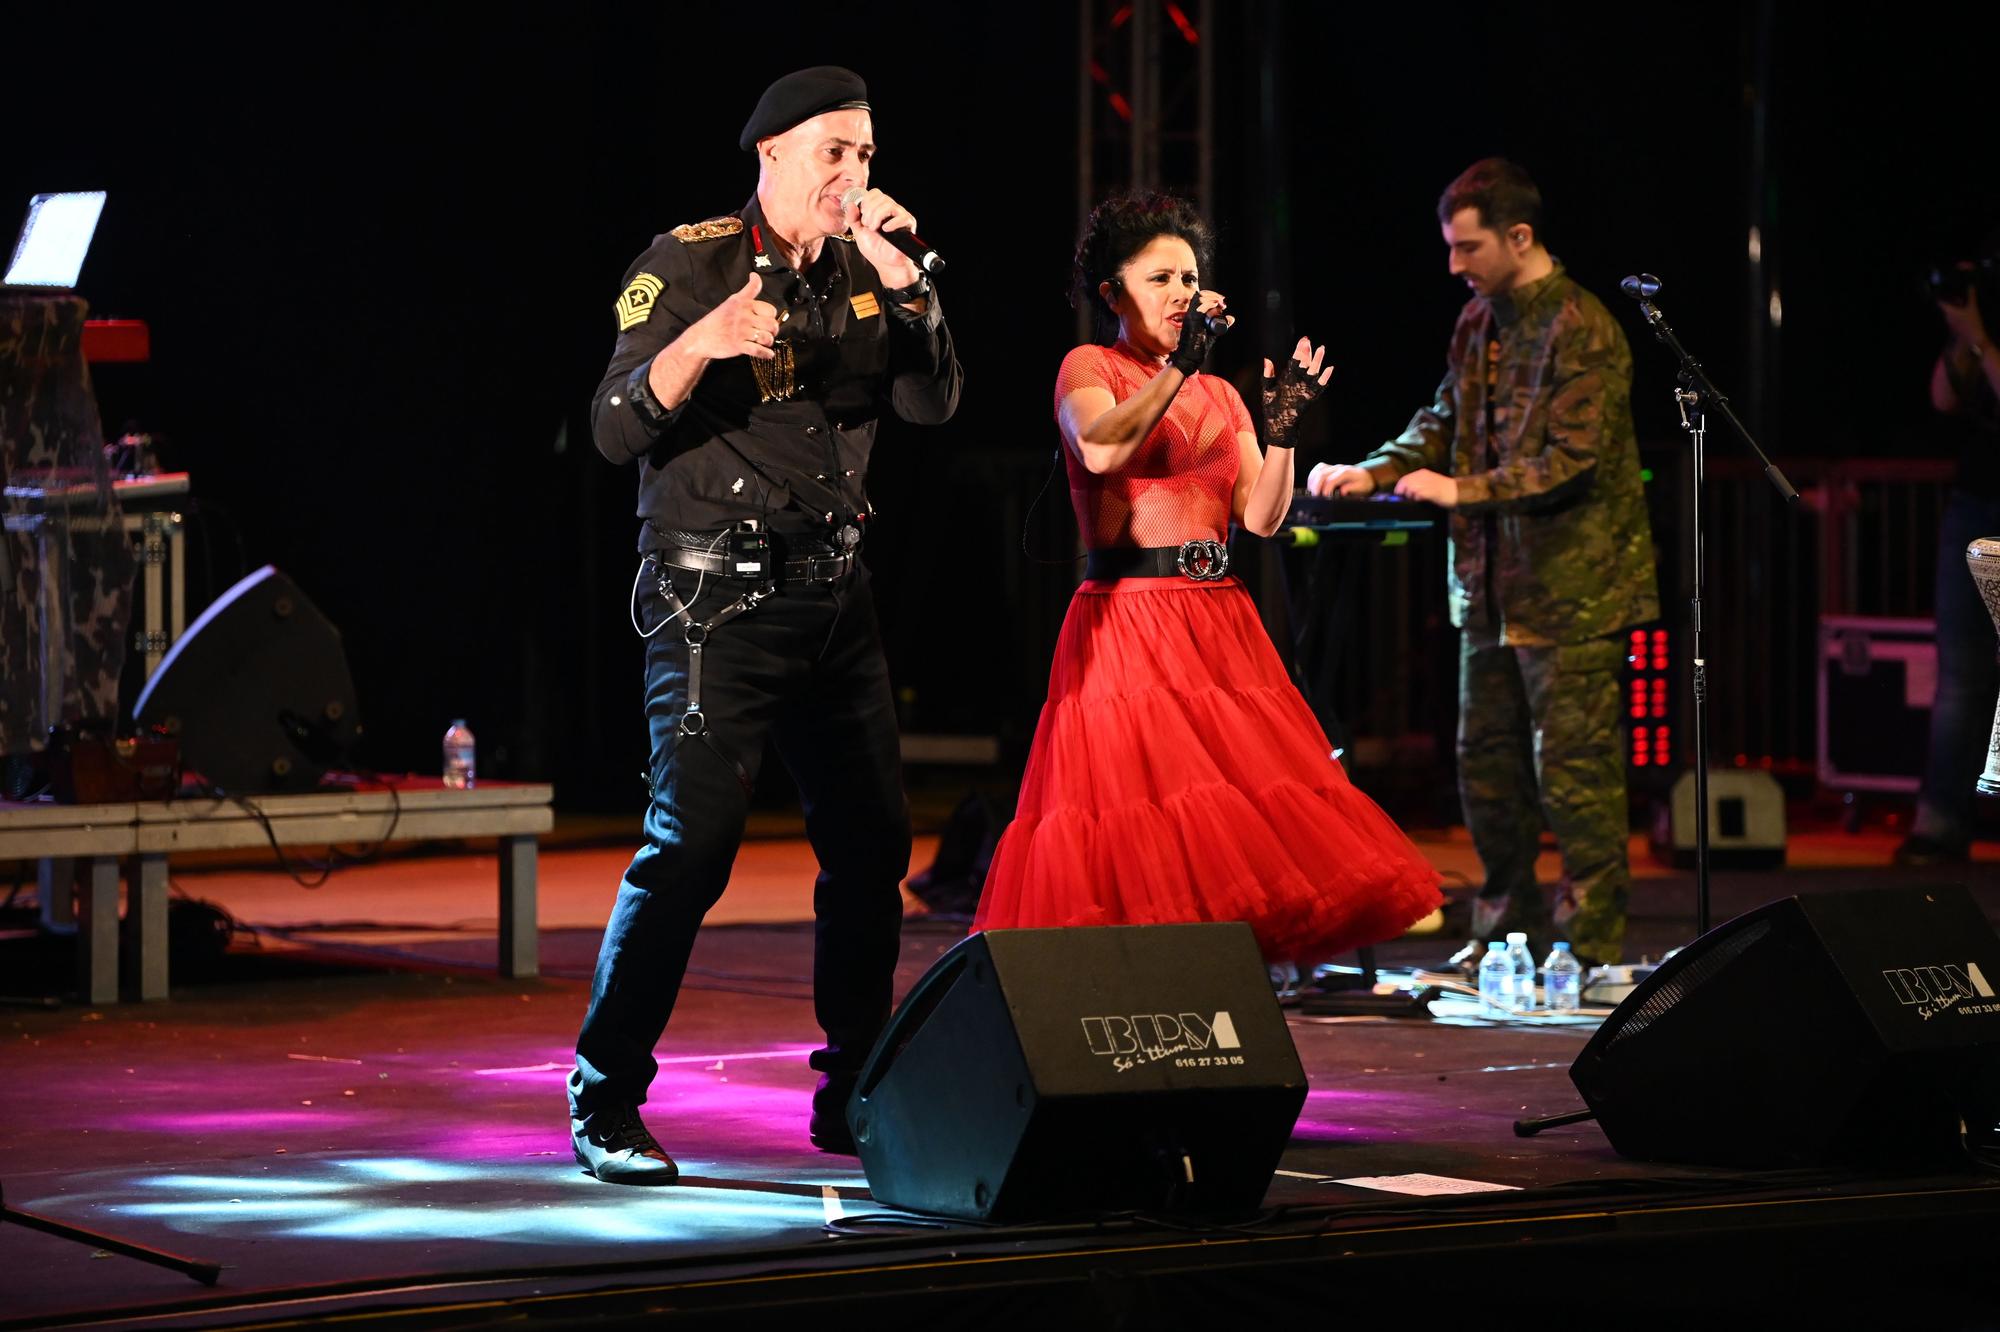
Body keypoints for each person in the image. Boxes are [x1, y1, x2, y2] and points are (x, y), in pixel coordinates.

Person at [570, 66, 962, 1184]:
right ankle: (604, 1096)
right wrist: (700, 346)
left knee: (870, 844)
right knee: (688, 849)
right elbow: (609, 427)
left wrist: (912, 288)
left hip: (834, 599)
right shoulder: (685, 261)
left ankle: (852, 1093)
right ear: (773, 155)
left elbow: (933, 402)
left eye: (867, 155)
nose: (854, 175)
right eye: (834, 152)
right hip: (711, 600)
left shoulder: (870, 271)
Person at [971, 192, 1441, 965]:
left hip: (1218, 620)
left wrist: (1284, 429)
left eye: (1189, 278)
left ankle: (1215, 984)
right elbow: (1102, 451)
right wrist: (1179, 367)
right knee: (1145, 817)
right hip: (1127, 620)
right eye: (1160, 279)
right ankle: (1137, 990)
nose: (1181, 293)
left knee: (1240, 818)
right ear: (1112, 294)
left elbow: (1260, 517)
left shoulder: (1221, 394)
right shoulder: (1090, 367)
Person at [1308, 158, 1657, 966]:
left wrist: (1458, 489)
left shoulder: (1584, 327)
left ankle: (1589, 947)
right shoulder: (1478, 326)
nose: (1455, 266)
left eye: (1468, 248)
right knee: (1487, 768)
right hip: (1490, 596)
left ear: (1519, 237)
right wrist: (1379, 469)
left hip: (1574, 595)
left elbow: (1573, 462)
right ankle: (1506, 929)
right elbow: (1442, 417)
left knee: (1575, 779)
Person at [1896, 238, 2000, 866]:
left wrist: (1983, 337)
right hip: (1974, 504)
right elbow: (1942, 397)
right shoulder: (1975, 331)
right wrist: (1962, 333)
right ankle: (1939, 822)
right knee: (1960, 673)